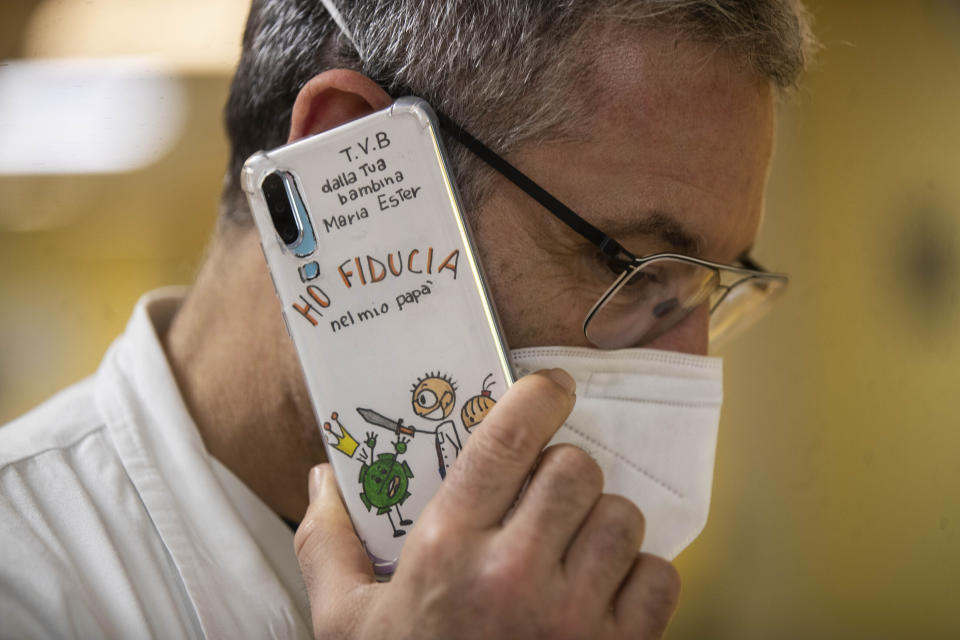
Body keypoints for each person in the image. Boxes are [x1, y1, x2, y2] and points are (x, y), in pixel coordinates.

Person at [0, 1, 815, 638]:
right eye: (632, 265)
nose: (689, 359)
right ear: (348, 168)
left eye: (712, 286)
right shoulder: (26, 583)